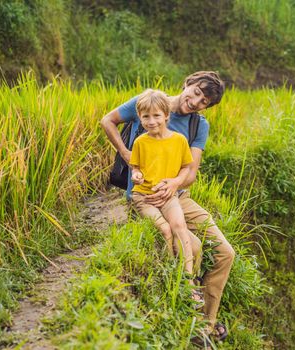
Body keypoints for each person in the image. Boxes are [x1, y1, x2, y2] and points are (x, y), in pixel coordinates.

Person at [100, 71, 234, 341]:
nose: (196, 101)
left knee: (225, 253)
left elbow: (191, 171)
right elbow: (108, 120)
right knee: (192, 246)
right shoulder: (149, 103)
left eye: (204, 101)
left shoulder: (198, 125)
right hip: (146, 196)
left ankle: (205, 327)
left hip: (178, 197)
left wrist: (173, 184)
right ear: (187, 83)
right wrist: (127, 156)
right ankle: (191, 318)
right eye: (196, 92)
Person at [129, 88, 203, 307]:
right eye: (146, 117)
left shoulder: (179, 140)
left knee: (179, 225)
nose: (151, 121)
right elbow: (135, 168)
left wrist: (174, 184)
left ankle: (188, 281)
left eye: (156, 116)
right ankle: (170, 274)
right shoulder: (141, 142)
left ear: (166, 116)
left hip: (168, 195)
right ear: (140, 117)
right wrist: (137, 175)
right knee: (164, 229)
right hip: (144, 197)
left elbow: (186, 168)